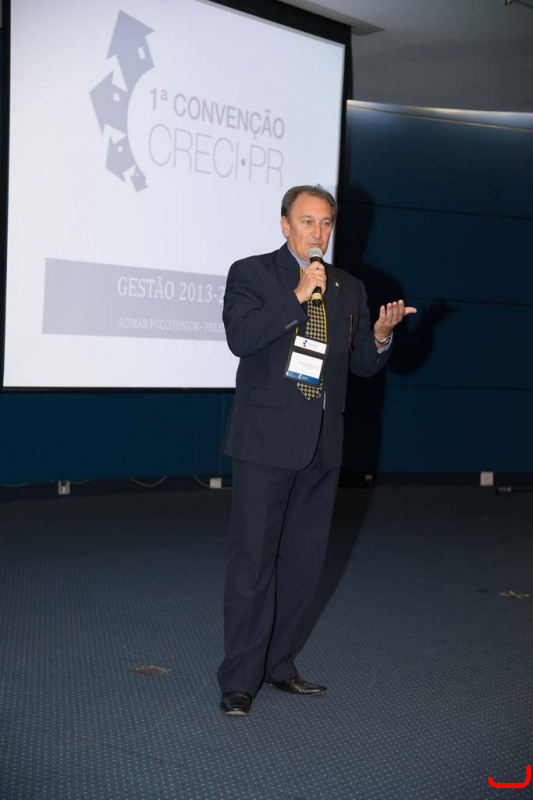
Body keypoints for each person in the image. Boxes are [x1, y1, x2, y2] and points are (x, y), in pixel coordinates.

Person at [218, 185, 416, 715]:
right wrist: (297, 296)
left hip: (323, 443)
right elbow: (240, 338)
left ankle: (279, 664)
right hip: (265, 442)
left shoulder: (350, 287)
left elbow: (362, 364)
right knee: (252, 563)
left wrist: (380, 335)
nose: (318, 233)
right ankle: (239, 678)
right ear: (285, 225)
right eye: (307, 221)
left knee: (304, 566)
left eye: (326, 223)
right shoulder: (251, 273)